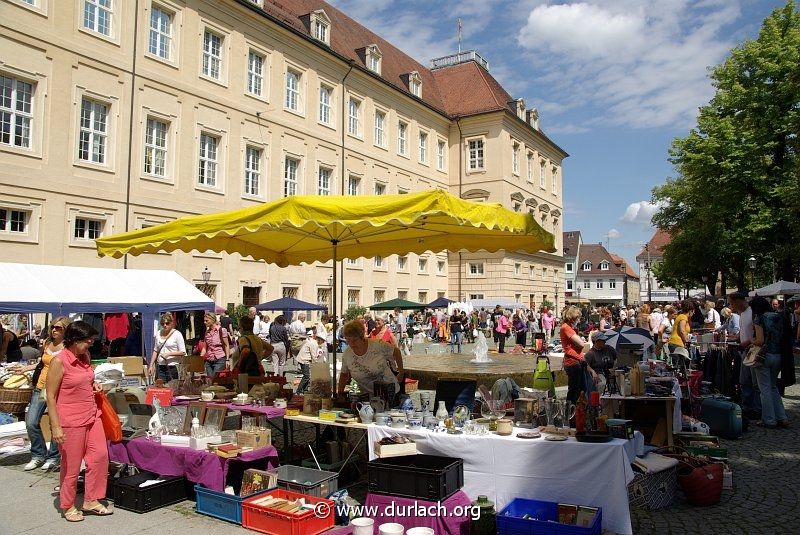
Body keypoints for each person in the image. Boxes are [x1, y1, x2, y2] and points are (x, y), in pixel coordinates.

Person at [45, 321, 111, 522]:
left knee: (100, 456)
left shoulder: (85, 357)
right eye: (87, 340)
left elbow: (86, 380)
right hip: (71, 420)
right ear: (74, 340)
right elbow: (50, 395)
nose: (90, 344)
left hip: (92, 415)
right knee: (72, 466)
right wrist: (55, 426)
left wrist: (95, 385)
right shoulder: (59, 361)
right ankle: (68, 504)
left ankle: (91, 499)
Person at [20, 316, 71, 471]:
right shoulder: (47, 343)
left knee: (54, 423)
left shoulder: (68, 347)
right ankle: (38, 454)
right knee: (31, 422)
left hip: (58, 388)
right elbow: (43, 363)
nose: (54, 330)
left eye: (59, 328)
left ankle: (54, 456)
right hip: (40, 386)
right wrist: (26, 369)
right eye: (53, 327)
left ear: (66, 330)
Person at [750, 296, 789, 429]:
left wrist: (751, 341)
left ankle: (769, 419)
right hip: (778, 355)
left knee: (764, 389)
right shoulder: (779, 317)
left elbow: (760, 340)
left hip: (764, 356)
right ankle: (782, 417)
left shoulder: (759, 318)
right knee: (773, 387)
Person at [337, 320, 400, 398]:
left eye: (355, 340)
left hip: (390, 393)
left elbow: (396, 351)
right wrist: (340, 393)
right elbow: (344, 374)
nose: (352, 343)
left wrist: (401, 372)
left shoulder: (377, 345)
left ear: (361, 337)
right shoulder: (347, 354)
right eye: (348, 340)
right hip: (367, 396)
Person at [561, 306, 595, 403]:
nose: (579, 320)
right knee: (574, 391)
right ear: (573, 317)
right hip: (572, 362)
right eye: (578, 318)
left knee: (580, 390)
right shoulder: (566, 328)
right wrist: (580, 341)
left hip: (577, 360)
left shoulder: (570, 328)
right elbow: (581, 344)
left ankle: (577, 412)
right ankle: (570, 413)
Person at [148, 313, 186, 382]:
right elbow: (155, 350)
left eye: (167, 323)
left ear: (172, 323)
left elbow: (183, 352)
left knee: (172, 388)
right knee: (161, 388)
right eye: (162, 324)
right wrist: (151, 365)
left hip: (173, 366)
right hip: (160, 366)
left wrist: (168, 354)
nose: (165, 325)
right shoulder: (158, 333)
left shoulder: (177, 334)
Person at [668, 300, 693, 374]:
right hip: (677, 344)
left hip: (675, 343)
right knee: (681, 367)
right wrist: (687, 342)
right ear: (691, 310)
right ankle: (680, 383)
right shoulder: (683, 317)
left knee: (679, 366)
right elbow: (682, 331)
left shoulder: (681, 316)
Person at [202, 312, 230, 378]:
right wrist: (200, 359)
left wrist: (227, 359)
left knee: (214, 380)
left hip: (220, 359)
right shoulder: (207, 332)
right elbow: (205, 348)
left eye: (206, 320)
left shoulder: (222, 330)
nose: (205, 322)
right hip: (209, 360)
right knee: (209, 380)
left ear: (213, 320)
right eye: (204, 321)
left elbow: (226, 345)